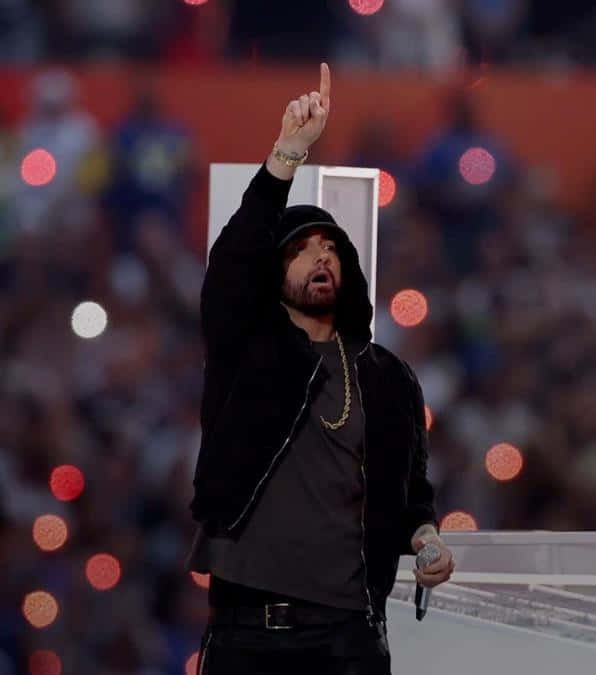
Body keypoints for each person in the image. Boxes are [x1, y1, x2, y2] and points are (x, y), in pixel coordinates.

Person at [184, 63, 455, 674]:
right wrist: (288, 151)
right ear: (274, 274)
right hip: (246, 630)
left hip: (347, 636)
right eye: (301, 250)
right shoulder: (246, 349)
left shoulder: (387, 376)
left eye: (330, 248)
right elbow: (232, 265)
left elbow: (411, 493)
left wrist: (428, 540)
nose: (320, 257)